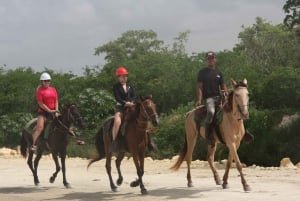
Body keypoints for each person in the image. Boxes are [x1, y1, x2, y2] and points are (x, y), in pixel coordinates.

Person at [196, 51, 254, 145]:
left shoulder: (218, 73)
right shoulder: (202, 73)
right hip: (208, 99)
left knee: (235, 110)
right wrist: (199, 99)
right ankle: (208, 135)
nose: (210, 60)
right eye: (209, 59)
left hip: (219, 97)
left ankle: (243, 133)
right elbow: (199, 87)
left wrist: (227, 95)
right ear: (206, 60)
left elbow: (223, 86)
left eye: (212, 58)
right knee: (211, 112)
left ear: (215, 59)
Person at [31, 72, 59, 151]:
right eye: (45, 81)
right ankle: (34, 144)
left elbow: (56, 100)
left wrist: (56, 110)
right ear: (42, 82)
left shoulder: (53, 89)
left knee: (64, 122)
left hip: (54, 111)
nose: (47, 82)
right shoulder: (40, 91)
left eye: (48, 80)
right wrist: (49, 110)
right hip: (43, 112)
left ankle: (76, 138)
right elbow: (40, 103)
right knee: (40, 127)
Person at [111, 66, 136, 152]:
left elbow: (134, 95)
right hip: (120, 107)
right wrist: (125, 103)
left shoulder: (130, 85)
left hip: (131, 106)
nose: (124, 77)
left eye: (125, 76)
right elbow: (117, 97)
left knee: (141, 116)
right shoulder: (116, 87)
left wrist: (132, 102)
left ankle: (149, 140)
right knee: (117, 121)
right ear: (118, 77)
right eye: (122, 76)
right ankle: (114, 142)